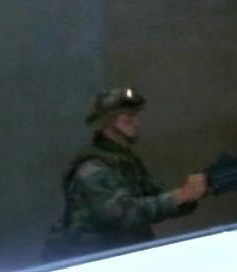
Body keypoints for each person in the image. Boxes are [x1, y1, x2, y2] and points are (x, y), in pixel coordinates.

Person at [42, 88, 208, 262]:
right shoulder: (92, 169)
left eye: (136, 116)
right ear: (106, 123)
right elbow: (126, 214)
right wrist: (180, 196)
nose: (136, 123)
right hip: (97, 260)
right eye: (128, 118)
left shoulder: (125, 161)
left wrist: (193, 193)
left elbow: (156, 197)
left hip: (125, 256)